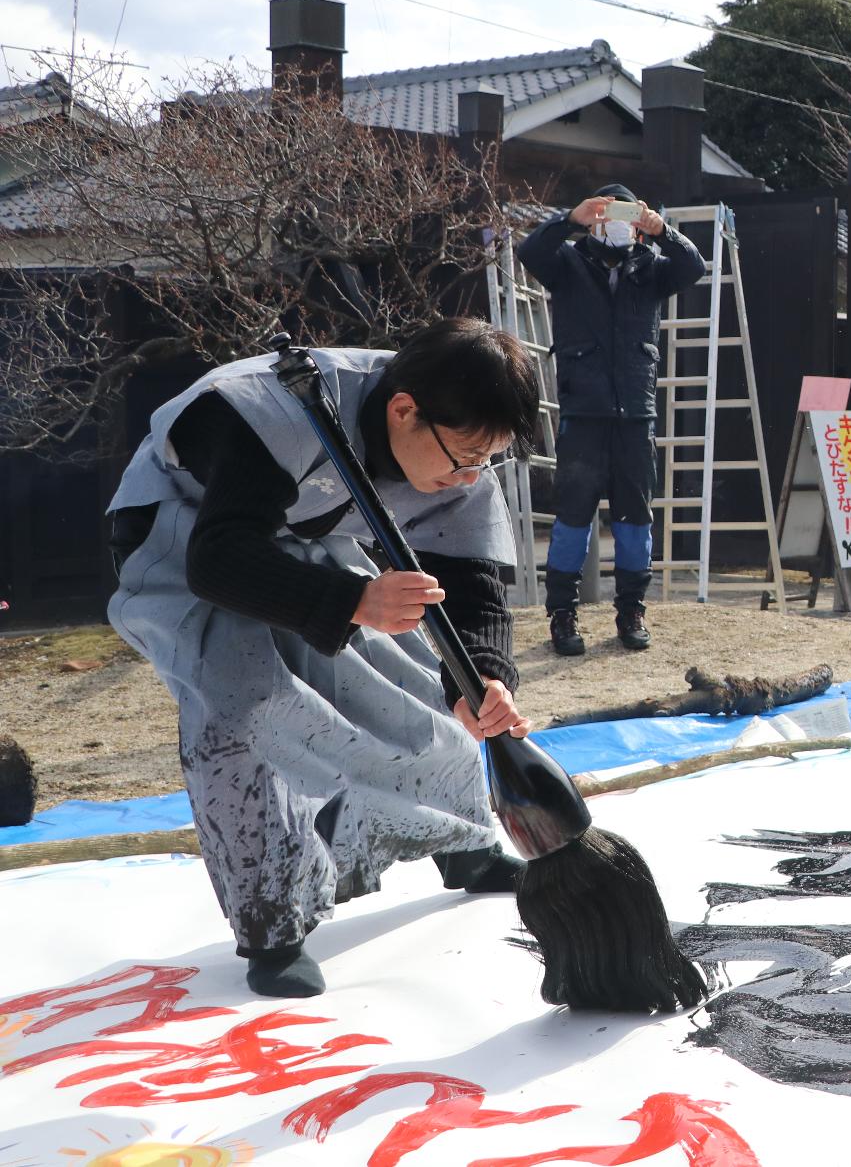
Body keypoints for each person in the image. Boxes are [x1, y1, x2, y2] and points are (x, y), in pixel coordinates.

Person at [104, 318, 542, 999]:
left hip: (312, 536)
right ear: (404, 411)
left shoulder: (458, 438)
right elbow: (218, 560)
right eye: (462, 458)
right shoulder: (263, 409)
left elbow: (474, 585)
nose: (470, 474)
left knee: (416, 673)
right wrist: (355, 600)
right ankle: (273, 923)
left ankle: (460, 835)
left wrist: (483, 675)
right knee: (246, 706)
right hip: (182, 539)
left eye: (487, 459)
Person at [515, 186, 706, 655]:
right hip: (583, 411)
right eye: (607, 213)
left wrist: (662, 232)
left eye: (626, 213)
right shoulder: (567, 263)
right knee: (572, 520)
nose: (616, 222)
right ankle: (562, 615)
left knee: (634, 520)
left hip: (635, 415)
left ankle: (631, 610)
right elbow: (529, 251)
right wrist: (571, 218)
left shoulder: (652, 269)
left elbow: (694, 267)